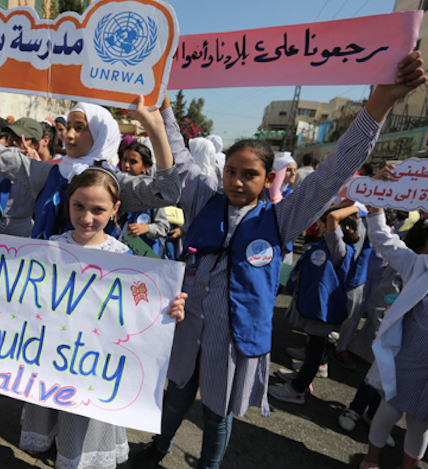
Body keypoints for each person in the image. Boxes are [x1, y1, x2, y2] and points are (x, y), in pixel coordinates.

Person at [133, 51, 426, 469]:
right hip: (187, 327)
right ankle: (158, 449)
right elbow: (177, 153)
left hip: (232, 339)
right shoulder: (202, 199)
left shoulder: (280, 219)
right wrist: (162, 100)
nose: (236, 180)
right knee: (175, 397)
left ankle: (209, 466)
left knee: (217, 415)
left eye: (248, 174)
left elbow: (335, 170)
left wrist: (381, 102)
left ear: (267, 178)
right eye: (231, 171)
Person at [0, 166, 187, 469]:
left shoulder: (125, 260)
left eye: (98, 209)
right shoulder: (50, 249)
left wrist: (168, 310)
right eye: (79, 206)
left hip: (92, 371)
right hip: (50, 363)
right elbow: (8, 295)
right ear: (68, 202)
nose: (86, 218)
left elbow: (143, 314)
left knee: (79, 434)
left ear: (115, 210)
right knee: (51, 421)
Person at [0, 71, 181, 242]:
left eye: (79, 128)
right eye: (68, 126)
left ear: (101, 134)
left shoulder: (113, 183)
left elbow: (168, 191)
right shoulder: (49, 173)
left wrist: (157, 131)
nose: (68, 134)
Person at [358, 165, 428, 469]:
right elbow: (386, 242)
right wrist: (376, 204)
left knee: (420, 424)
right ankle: (371, 460)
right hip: (407, 357)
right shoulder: (418, 266)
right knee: (388, 410)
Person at [268, 204, 360, 404]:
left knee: (315, 353)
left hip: (323, 310)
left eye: (323, 224)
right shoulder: (325, 245)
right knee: (312, 347)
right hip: (314, 306)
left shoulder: (338, 248)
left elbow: (333, 217)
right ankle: (303, 377)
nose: (319, 226)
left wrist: (353, 201)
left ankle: (297, 390)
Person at [118, 140, 170, 257]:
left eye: (133, 162)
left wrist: (147, 228)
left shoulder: (152, 193)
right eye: (124, 160)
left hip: (142, 254)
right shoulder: (116, 187)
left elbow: (163, 227)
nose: (126, 165)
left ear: (145, 167)